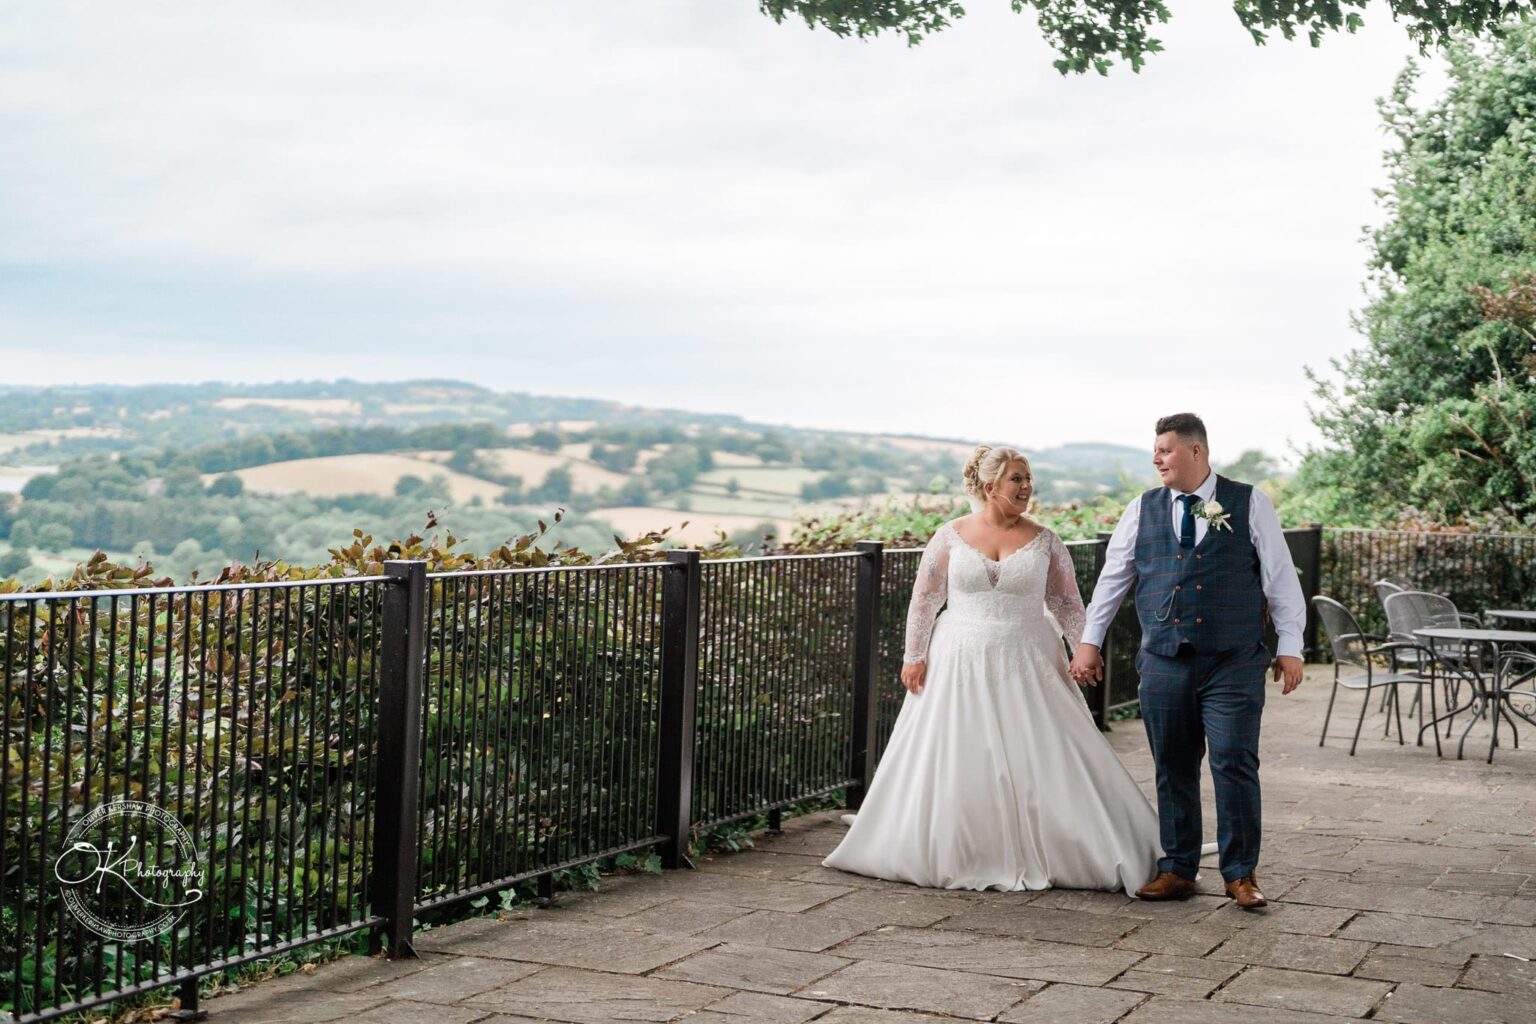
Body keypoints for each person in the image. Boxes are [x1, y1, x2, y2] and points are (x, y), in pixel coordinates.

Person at [822, 445, 1161, 892]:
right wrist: (913, 655)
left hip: (1028, 658)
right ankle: (959, 845)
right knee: (958, 750)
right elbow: (925, 599)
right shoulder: (950, 535)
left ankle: (1070, 842)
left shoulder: (1046, 539)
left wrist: (1085, 648)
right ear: (990, 485)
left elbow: (1065, 601)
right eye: (1016, 479)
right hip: (958, 659)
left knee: (1044, 749)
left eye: (1028, 478)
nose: (1026, 486)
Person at [1068, 413, 1305, 910]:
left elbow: (1280, 578)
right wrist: (1090, 641)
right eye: (1155, 450)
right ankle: (1178, 868)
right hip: (1163, 659)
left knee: (1233, 761)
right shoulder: (1142, 507)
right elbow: (1114, 578)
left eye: (1165, 450)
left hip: (1233, 660)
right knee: (1172, 766)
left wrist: (1290, 645)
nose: (1156, 459)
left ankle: (1240, 874)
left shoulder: (1249, 502)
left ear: (1196, 451)